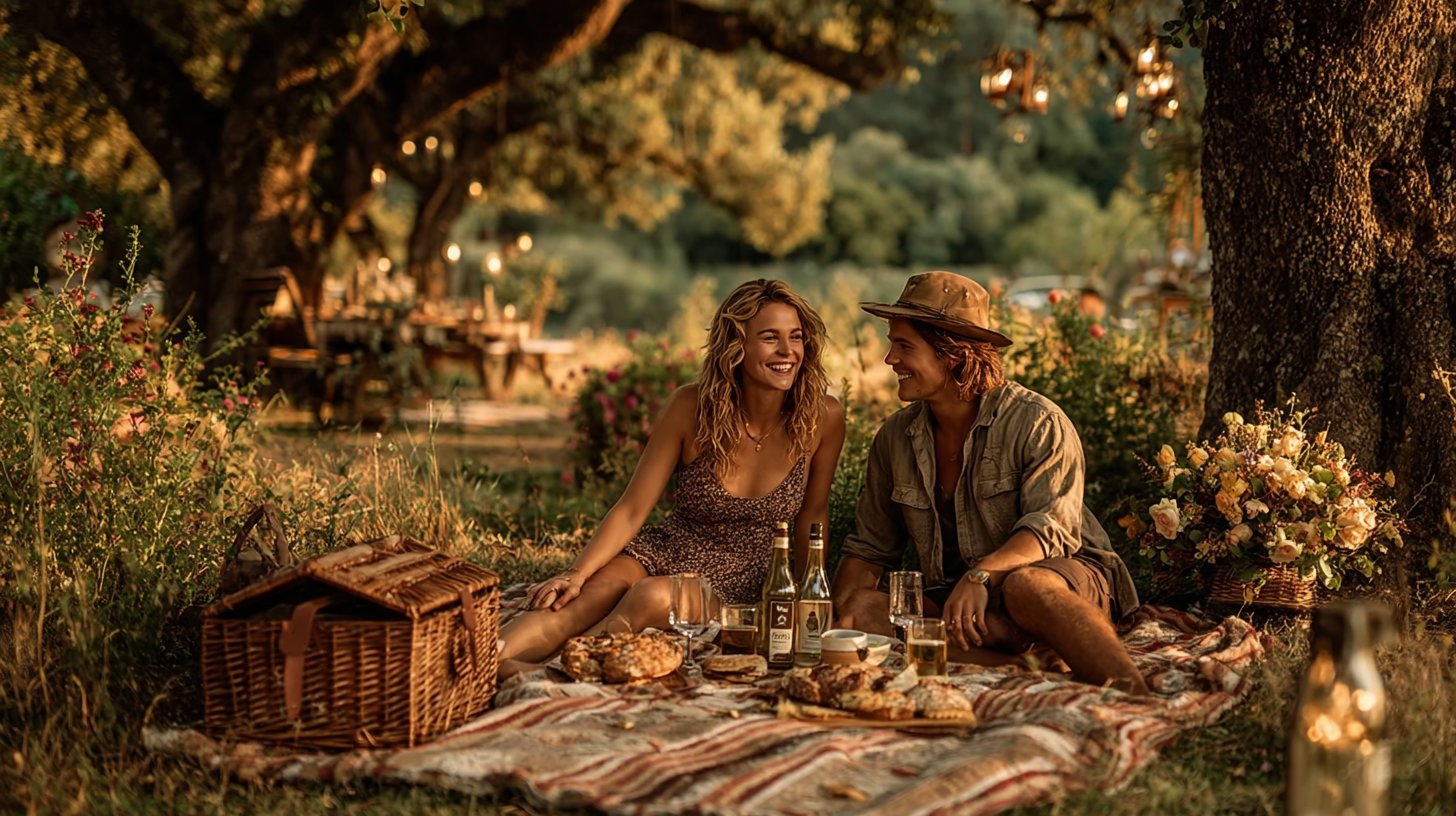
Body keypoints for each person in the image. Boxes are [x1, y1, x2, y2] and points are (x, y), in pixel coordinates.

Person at [832, 270, 1148, 695]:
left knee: (1025, 584)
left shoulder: (1038, 421)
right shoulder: (895, 438)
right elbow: (869, 549)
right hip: (962, 606)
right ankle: (1026, 664)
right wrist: (835, 625)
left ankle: (1135, 691)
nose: (890, 359)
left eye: (904, 346)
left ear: (954, 356)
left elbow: (1049, 530)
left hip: (1056, 583)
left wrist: (981, 576)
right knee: (864, 611)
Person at [499, 279, 846, 665]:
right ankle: (478, 666)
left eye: (795, 337)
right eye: (770, 338)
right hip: (668, 548)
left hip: (745, 582)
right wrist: (577, 573)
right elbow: (633, 508)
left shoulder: (822, 418)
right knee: (575, 601)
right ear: (737, 345)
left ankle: (557, 669)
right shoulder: (690, 407)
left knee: (652, 598)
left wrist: (799, 595)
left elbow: (814, 515)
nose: (787, 351)